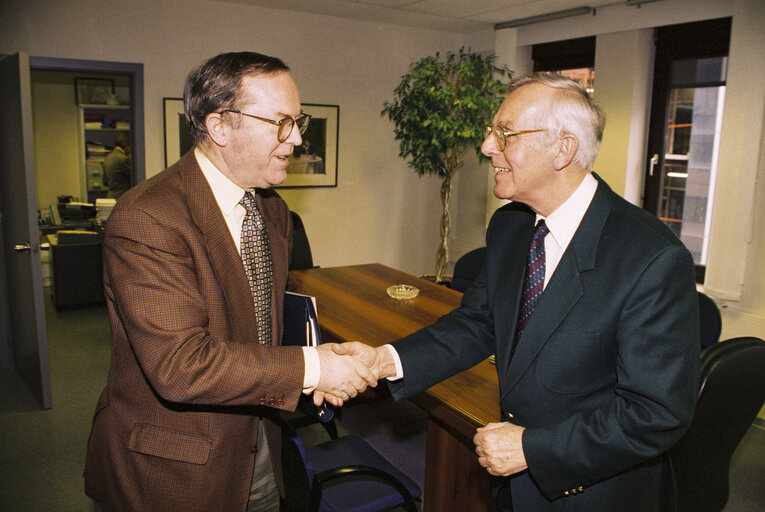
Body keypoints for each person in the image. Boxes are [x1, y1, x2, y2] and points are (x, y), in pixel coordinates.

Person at [334, 73, 700, 511]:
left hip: (591, 491)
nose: (487, 147)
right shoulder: (511, 226)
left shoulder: (651, 258)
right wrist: (385, 360)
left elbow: (657, 414)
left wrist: (534, 448)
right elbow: (478, 323)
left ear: (562, 149)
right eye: (492, 133)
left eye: (504, 134)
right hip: (512, 486)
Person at [84, 52, 377, 512]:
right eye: (282, 122)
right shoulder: (147, 218)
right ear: (220, 126)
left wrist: (320, 368)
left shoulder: (273, 210)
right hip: (174, 468)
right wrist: (316, 369)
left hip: (259, 441)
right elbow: (181, 367)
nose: (297, 139)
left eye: (298, 122)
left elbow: (259, 323)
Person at [102, 131, 132, 199]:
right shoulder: (123, 159)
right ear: (128, 146)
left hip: (111, 196)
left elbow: (105, 181)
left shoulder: (108, 157)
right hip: (123, 196)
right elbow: (133, 179)